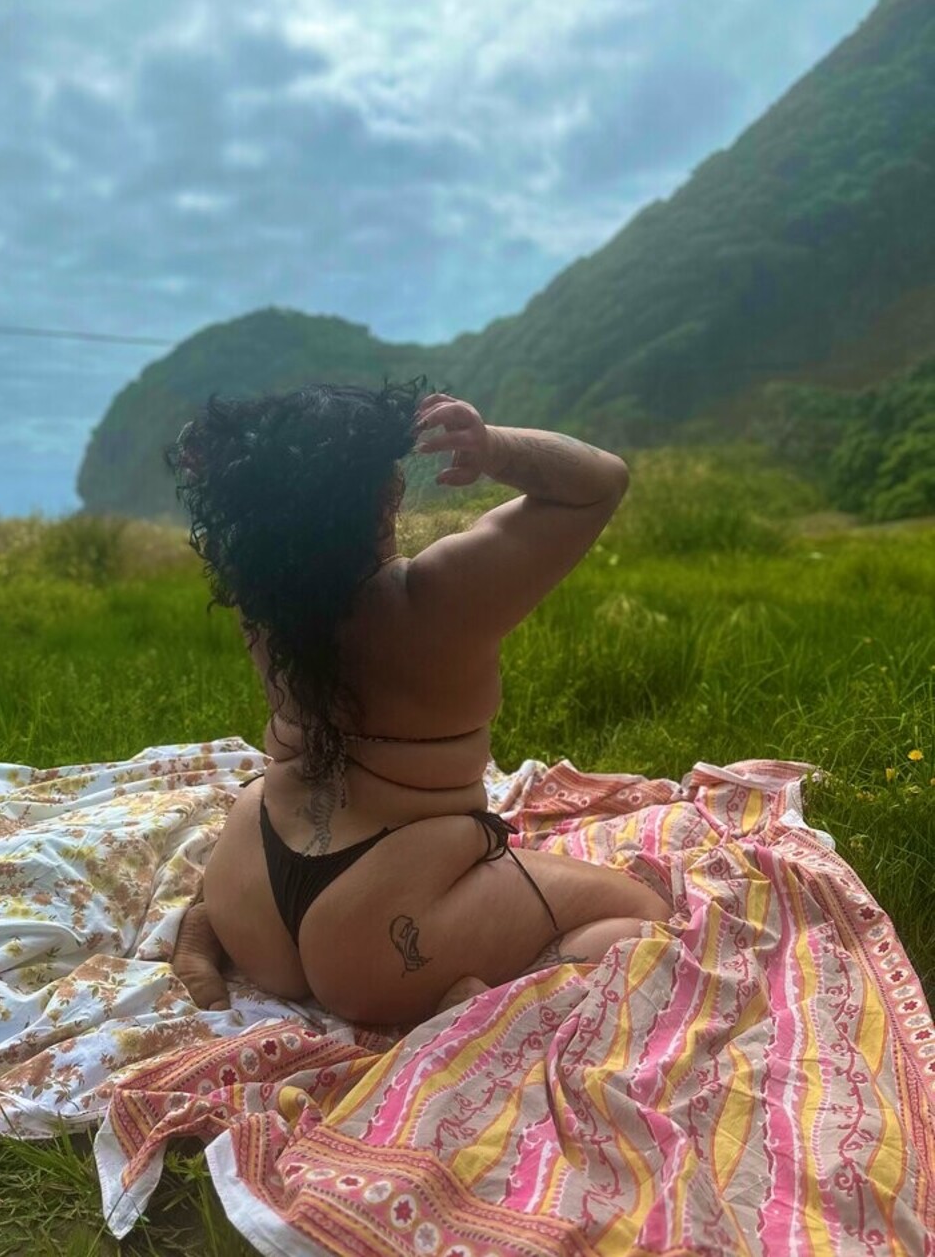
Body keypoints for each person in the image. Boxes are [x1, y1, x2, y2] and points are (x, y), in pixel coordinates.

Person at [166, 380, 672, 1027]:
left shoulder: (263, 601)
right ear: (385, 496)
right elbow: (600, 480)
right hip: (378, 939)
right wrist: (496, 449)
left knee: (271, 795)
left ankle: (205, 925)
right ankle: (489, 1000)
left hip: (250, 889)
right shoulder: (438, 596)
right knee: (640, 914)